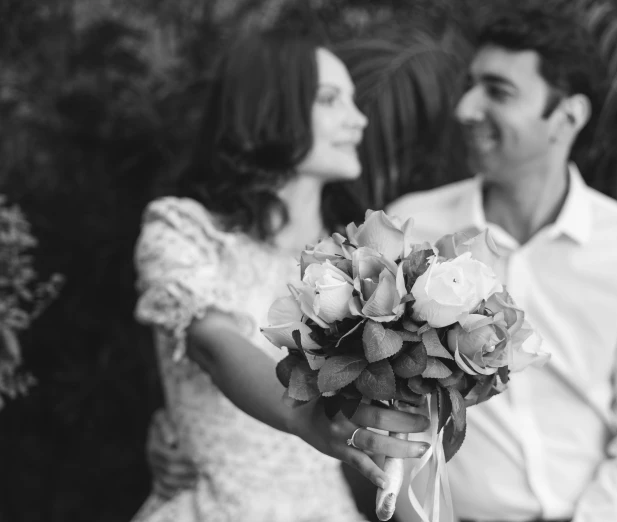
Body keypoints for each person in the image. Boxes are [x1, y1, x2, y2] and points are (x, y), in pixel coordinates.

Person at [387, 6, 617, 522]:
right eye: (471, 85)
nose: (465, 108)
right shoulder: (412, 227)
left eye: (498, 92)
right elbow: (395, 416)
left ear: (567, 116)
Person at [131, 27, 429, 522]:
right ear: (268, 108)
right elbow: (212, 342)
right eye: (330, 100)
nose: (358, 120)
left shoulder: (363, 258)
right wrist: (302, 416)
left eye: (354, 102)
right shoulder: (183, 228)